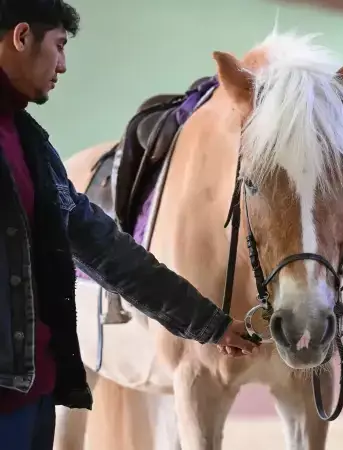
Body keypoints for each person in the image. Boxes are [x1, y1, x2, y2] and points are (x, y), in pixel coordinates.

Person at [0, 1, 258, 448]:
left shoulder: (32, 146)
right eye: (59, 46)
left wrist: (210, 324)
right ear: (22, 37)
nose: (63, 65)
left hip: (34, 392)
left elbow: (109, 252)